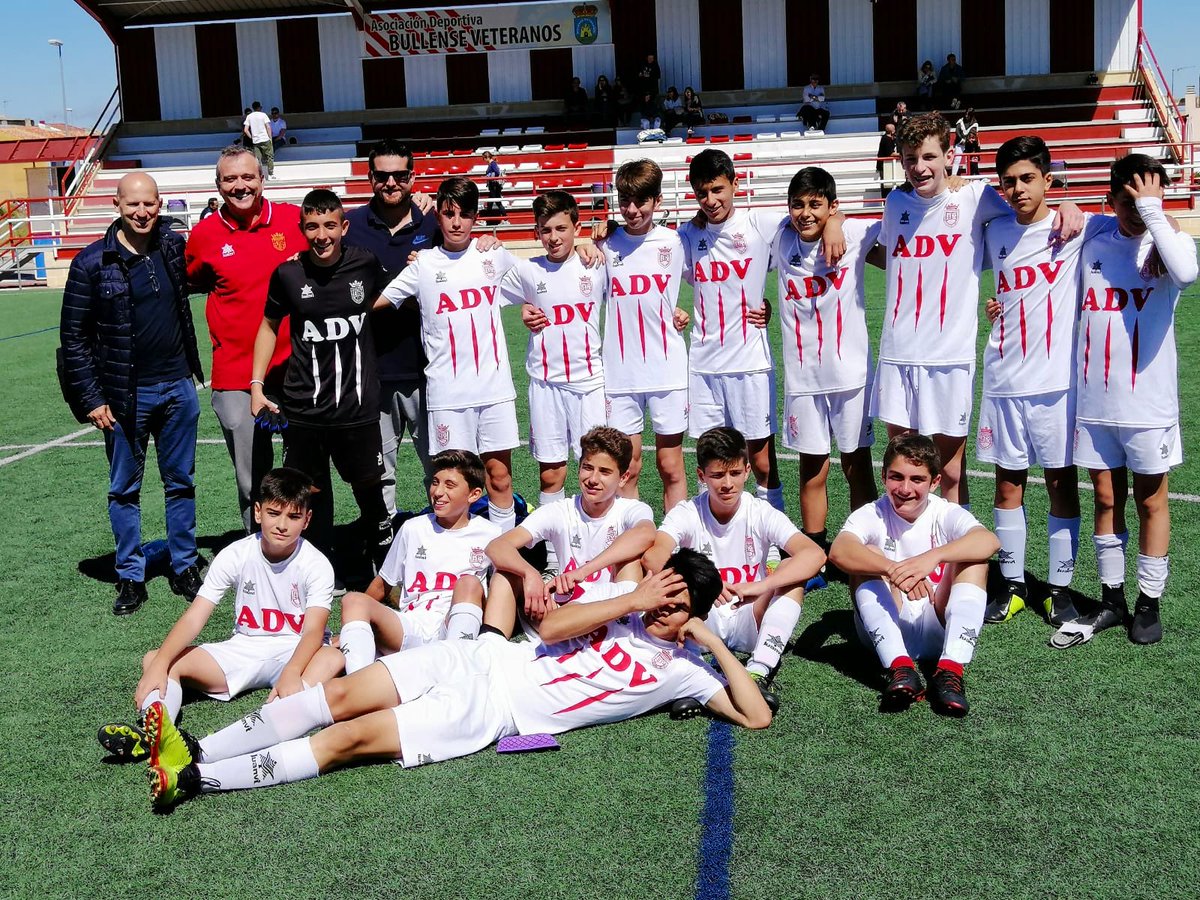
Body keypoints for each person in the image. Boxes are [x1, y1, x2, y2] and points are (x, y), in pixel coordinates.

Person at [141, 548, 772, 807]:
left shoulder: (686, 673)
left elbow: (756, 714)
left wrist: (711, 639)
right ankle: (198, 746)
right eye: (667, 591)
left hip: (492, 712)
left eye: (680, 602)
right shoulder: (620, 601)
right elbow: (551, 630)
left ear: (695, 611)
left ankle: (196, 779)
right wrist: (631, 600)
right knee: (336, 696)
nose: (667, 606)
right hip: (476, 659)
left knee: (350, 741)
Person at [873, 113, 1081, 507]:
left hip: (950, 355)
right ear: (900, 160)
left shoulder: (975, 197)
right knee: (901, 463)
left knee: (950, 469)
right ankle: (908, 551)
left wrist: (1067, 204)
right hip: (897, 353)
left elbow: (1029, 219)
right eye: (911, 157)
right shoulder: (895, 202)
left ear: (949, 154)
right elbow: (881, 251)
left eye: (930, 156)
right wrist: (835, 223)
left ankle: (954, 562)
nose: (921, 167)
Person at [1052, 155, 1198, 648]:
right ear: (1112, 198)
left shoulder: (1168, 242)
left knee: (1150, 499)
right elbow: (1069, 218)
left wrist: (1157, 213)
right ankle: (1112, 599)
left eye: (1147, 199)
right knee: (1107, 498)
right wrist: (1072, 202)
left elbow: (1187, 274)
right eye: (1128, 200)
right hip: (1094, 402)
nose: (1138, 210)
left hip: (1149, 406)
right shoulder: (1095, 237)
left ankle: (1148, 603)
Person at [96, 468, 342, 760]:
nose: (282, 525)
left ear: (307, 520)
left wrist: (290, 672)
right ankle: (155, 735)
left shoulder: (316, 564)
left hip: (297, 653)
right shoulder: (235, 554)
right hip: (244, 648)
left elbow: (313, 632)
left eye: (293, 517)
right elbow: (195, 617)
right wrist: (162, 662)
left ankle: (257, 729)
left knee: (332, 657)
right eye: (274, 513)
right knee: (155, 659)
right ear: (258, 512)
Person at [978, 136, 1110, 627]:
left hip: (1056, 384)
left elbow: (1133, 223)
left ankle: (1058, 589)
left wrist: (1074, 203)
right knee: (1007, 483)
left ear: (1048, 180)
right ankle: (1012, 585)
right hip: (1003, 377)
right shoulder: (994, 231)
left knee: (1059, 482)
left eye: (1027, 178)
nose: (1018, 189)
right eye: (1009, 181)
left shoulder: (1077, 228)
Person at [59, 172, 205, 615]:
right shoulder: (91, 263)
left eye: (150, 204)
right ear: (117, 205)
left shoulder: (173, 247)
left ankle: (183, 565)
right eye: (132, 205)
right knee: (124, 488)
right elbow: (74, 341)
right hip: (124, 396)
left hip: (179, 385)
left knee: (181, 482)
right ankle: (130, 575)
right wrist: (90, 399)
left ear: (160, 204)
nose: (142, 213)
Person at [250, 189, 394, 582]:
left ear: (343, 227)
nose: (322, 235)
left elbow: (400, 292)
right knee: (308, 493)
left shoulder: (365, 263)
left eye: (330, 225)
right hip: (305, 411)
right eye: (312, 226)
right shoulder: (288, 273)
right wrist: (257, 384)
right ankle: (316, 570)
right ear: (302, 229)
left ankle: (382, 567)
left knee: (369, 490)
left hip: (357, 409)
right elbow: (267, 326)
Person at [644, 427, 826, 712]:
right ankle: (692, 673)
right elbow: (654, 557)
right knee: (658, 581)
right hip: (702, 618)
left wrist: (761, 586)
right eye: (717, 475)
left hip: (749, 613)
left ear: (747, 471)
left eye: (735, 474)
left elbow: (814, 554)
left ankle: (758, 671)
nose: (727, 484)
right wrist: (703, 583)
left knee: (792, 572)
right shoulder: (687, 512)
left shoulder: (760, 511)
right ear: (702, 476)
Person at [377, 176, 522, 534]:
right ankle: (457, 560)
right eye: (448, 213)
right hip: (447, 396)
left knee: (499, 478)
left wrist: (588, 247)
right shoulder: (423, 264)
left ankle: (503, 562)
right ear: (438, 217)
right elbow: (376, 303)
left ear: (475, 218)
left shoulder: (493, 255)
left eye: (465, 214)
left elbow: (540, 284)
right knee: (452, 485)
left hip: (494, 391)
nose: (457, 223)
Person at [828, 435, 1001, 716]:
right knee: (867, 553)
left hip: (938, 620)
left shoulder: (944, 511)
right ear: (883, 476)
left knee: (975, 560)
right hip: (885, 626)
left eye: (917, 480)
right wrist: (894, 570)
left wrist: (930, 559)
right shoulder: (872, 512)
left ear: (934, 482)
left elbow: (989, 541)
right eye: (896, 477)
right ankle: (900, 667)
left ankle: (950, 670)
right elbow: (839, 551)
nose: (905, 489)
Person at [186, 146, 305, 532]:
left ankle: (304, 554)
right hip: (236, 374)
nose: (240, 186)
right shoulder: (204, 235)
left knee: (300, 472)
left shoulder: (292, 220)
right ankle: (259, 553)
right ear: (218, 185)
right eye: (230, 179)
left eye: (247, 177)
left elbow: (340, 232)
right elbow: (193, 279)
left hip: (295, 369)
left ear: (262, 178)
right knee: (251, 479)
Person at [773, 167, 881, 567]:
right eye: (798, 204)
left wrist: (837, 222)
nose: (806, 213)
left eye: (816, 205)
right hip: (802, 380)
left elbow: (910, 216)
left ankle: (862, 547)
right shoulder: (780, 237)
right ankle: (815, 551)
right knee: (812, 467)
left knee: (857, 464)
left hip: (850, 376)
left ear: (833, 206)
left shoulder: (853, 233)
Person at [677, 149, 787, 516]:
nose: (710, 201)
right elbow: (639, 243)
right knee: (708, 457)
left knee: (761, 459)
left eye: (717, 190)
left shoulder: (761, 223)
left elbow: (810, 219)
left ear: (736, 184)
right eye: (702, 194)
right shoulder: (688, 235)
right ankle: (705, 533)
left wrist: (834, 221)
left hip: (750, 363)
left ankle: (773, 540)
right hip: (704, 367)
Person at [339, 449, 500, 674]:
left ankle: (456, 672)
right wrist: (352, 625)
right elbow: (383, 583)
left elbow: (506, 590)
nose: (438, 492)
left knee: (469, 583)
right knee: (352, 600)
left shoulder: (490, 533)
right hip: (410, 625)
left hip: (452, 624)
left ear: (473, 495)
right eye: (435, 482)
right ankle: (358, 682)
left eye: (450, 485)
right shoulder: (413, 528)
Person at [484, 427, 654, 637]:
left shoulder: (631, 509)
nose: (592, 478)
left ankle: (623, 637)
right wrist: (530, 574)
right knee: (505, 574)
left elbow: (646, 534)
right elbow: (497, 546)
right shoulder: (560, 510)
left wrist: (583, 571)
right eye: (587, 468)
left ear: (623, 477)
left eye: (605, 472)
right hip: (565, 615)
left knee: (631, 561)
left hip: (610, 612)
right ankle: (489, 647)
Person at [343, 140, 438, 513]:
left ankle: (443, 552)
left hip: (429, 371)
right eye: (382, 176)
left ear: (413, 177)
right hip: (372, 373)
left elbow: (473, 246)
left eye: (400, 175)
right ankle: (383, 553)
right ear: (370, 178)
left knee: (441, 470)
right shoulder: (351, 227)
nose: (391, 183)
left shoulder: (434, 222)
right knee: (380, 474)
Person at [501, 191, 607, 527]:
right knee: (551, 473)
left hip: (590, 384)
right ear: (536, 231)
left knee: (596, 470)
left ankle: (597, 541)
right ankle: (552, 555)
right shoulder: (528, 271)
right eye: (546, 230)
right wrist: (522, 307)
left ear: (576, 226)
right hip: (545, 385)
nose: (554, 237)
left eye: (561, 228)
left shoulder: (596, 264)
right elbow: (490, 293)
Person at [596, 159, 689, 511]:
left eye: (641, 202)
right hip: (621, 374)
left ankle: (677, 548)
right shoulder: (605, 244)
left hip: (667, 370)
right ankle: (630, 554)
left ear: (658, 201)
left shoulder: (676, 241)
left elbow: (711, 282)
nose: (632, 210)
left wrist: (682, 311)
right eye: (625, 201)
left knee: (671, 467)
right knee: (628, 468)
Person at [243, 101, 275, 179]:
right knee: (269, 157)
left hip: (256, 140)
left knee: (258, 159)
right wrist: (270, 137)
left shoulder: (249, 116)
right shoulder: (263, 115)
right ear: (259, 107)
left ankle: (260, 175)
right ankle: (271, 174)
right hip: (265, 139)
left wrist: (251, 137)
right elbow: (268, 127)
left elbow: (246, 130)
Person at [953, 108, 979, 176]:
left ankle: (970, 176)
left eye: (968, 114)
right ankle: (953, 175)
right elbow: (957, 131)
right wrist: (962, 139)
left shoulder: (974, 123)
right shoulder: (960, 121)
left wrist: (967, 140)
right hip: (960, 143)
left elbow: (973, 132)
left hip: (969, 144)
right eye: (966, 114)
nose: (966, 116)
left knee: (969, 161)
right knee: (957, 159)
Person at [481, 150, 505, 225]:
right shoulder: (491, 164)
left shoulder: (492, 164)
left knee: (497, 203)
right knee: (490, 203)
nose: (483, 160)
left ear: (487, 157)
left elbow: (497, 172)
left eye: (483, 158)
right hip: (492, 186)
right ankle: (487, 220)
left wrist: (488, 176)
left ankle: (505, 219)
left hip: (494, 186)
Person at [876, 123, 899, 199]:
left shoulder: (886, 138)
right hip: (885, 165)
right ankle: (885, 200)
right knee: (886, 185)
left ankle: (885, 200)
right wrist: (901, 154)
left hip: (885, 165)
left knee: (887, 184)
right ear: (892, 131)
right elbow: (891, 154)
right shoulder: (887, 140)